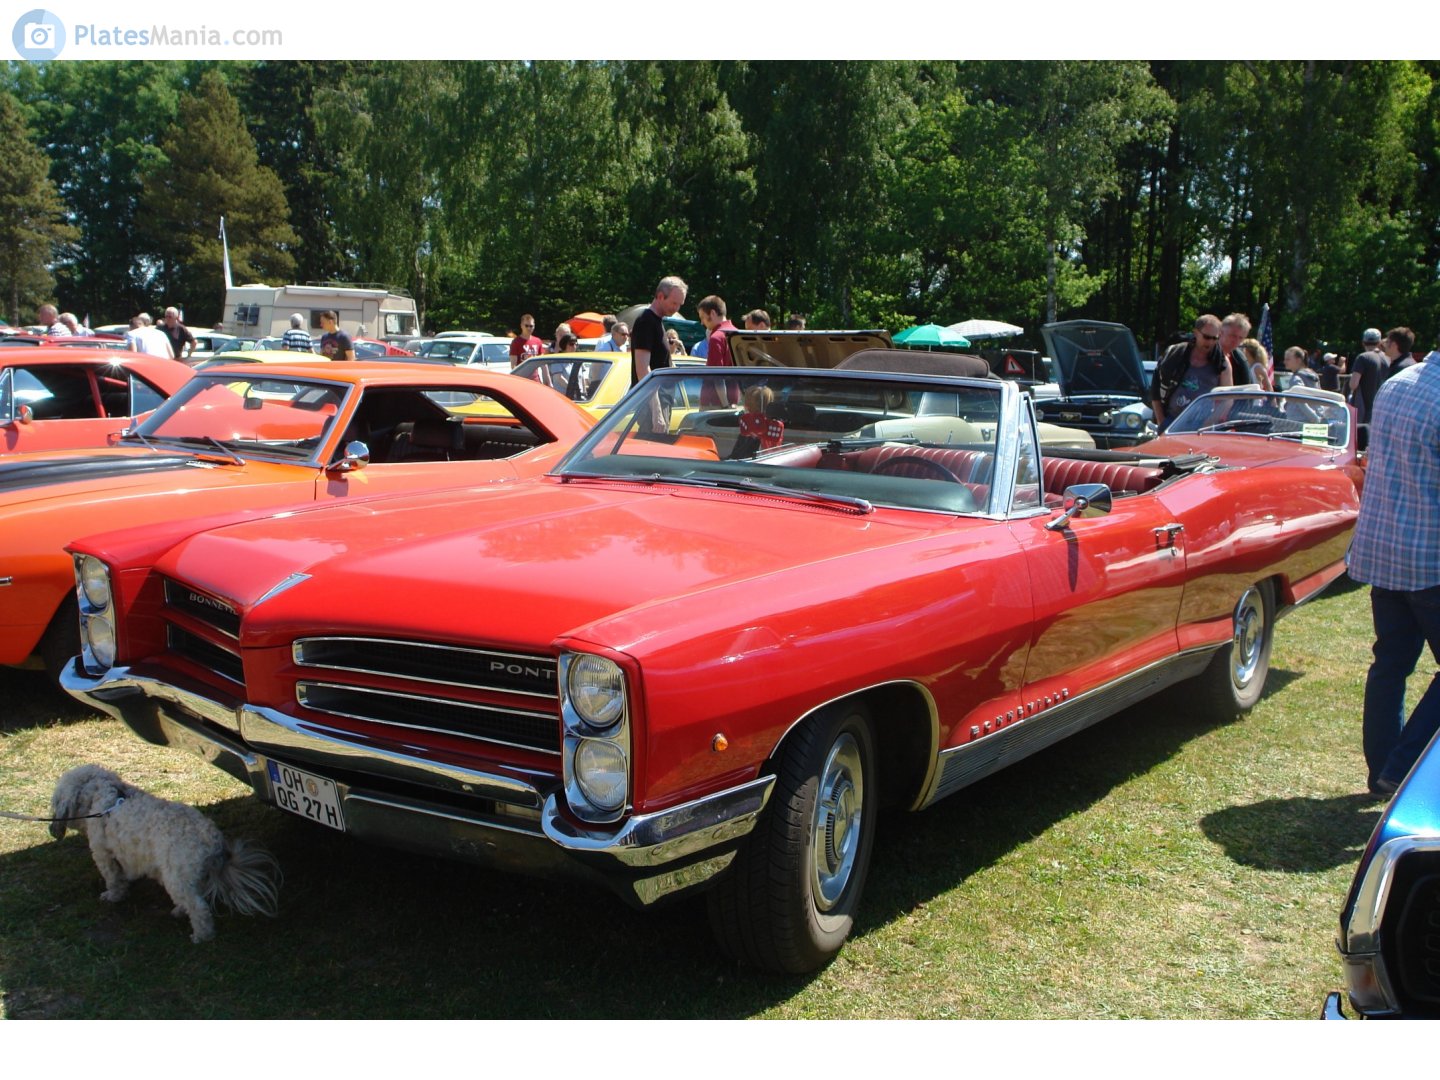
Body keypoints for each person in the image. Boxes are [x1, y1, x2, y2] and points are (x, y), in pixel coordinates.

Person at [1347, 346, 1440, 797]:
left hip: (1386, 549)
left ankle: (1384, 768)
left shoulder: (1397, 385)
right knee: (1391, 665)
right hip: (1429, 557)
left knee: (1390, 664)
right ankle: (1399, 767)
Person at [1150, 314, 1233, 430]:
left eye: (1215, 338)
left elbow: (1228, 399)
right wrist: (1161, 420)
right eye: (1206, 337)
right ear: (1195, 333)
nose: (1210, 342)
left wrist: (1208, 424)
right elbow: (1155, 387)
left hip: (1202, 425)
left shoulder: (1222, 363)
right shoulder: (1175, 353)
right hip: (1171, 420)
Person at [632, 276, 687, 385]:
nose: (676, 309)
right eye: (674, 303)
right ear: (660, 296)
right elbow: (642, 370)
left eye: (679, 305)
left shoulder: (656, 321)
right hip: (650, 399)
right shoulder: (646, 321)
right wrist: (655, 402)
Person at [697, 295, 739, 406]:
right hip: (735, 400)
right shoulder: (738, 334)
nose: (702, 322)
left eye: (702, 317)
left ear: (712, 313)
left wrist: (724, 405)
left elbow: (717, 375)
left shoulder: (716, 337)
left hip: (715, 403)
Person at [1218, 313, 1255, 385]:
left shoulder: (1240, 360)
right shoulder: (1203, 352)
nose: (1236, 341)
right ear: (1220, 332)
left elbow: (1246, 387)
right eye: (1233, 336)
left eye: (1241, 338)